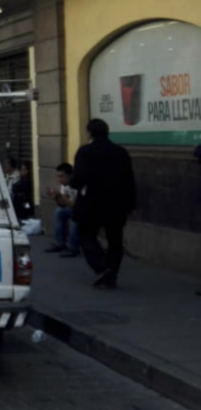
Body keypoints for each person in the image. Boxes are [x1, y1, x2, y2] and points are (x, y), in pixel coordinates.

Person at [70, 119, 136, 289]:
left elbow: (79, 178)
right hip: (117, 203)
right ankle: (112, 271)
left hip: (91, 203)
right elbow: (129, 180)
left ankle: (102, 266)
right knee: (115, 240)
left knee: (86, 235)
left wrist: (73, 183)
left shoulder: (85, 152)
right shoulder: (120, 152)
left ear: (90, 133)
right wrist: (130, 204)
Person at [45, 162, 80, 257]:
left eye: (62, 176)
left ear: (70, 175)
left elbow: (76, 206)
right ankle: (59, 243)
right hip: (74, 208)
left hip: (85, 210)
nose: (59, 179)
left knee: (75, 216)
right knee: (59, 212)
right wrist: (56, 197)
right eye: (58, 176)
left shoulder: (78, 184)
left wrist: (61, 196)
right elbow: (63, 204)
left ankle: (73, 247)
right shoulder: (64, 185)